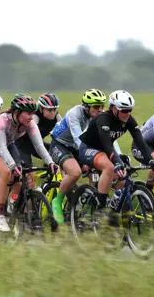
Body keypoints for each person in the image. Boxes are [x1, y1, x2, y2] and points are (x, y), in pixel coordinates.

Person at [0, 94, 58, 232]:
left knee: (20, 177)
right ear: (16, 113)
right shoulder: (2, 121)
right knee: (6, 171)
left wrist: (50, 162)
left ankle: (12, 202)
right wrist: (12, 165)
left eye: (32, 113)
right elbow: (0, 147)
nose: (31, 117)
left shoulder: (29, 123)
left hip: (9, 145)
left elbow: (39, 146)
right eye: (28, 113)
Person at [77, 90, 154, 219]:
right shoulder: (103, 119)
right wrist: (116, 162)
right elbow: (107, 145)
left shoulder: (129, 120)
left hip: (105, 150)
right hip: (88, 148)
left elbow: (140, 141)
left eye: (130, 110)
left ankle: (114, 216)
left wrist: (151, 161)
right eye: (125, 110)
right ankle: (100, 205)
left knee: (123, 178)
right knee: (109, 167)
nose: (128, 114)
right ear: (114, 109)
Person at [49, 88, 107, 223]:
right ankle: (57, 202)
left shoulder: (98, 116)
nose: (100, 110)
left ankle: (90, 204)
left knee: (100, 167)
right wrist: (87, 158)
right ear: (86, 107)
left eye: (102, 106)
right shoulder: (74, 114)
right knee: (75, 172)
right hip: (60, 145)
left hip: (77, 146)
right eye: (96, 106)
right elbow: (77, 139)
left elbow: (107, 139)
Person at [15, 93, 61, 189]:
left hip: (37, 145)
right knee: (31, 177)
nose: (53, 112)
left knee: (61, 158)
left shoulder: (56, 117)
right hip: (22, 146)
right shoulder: (34, 117)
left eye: (55, 109)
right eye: (49, 109)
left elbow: (63, 134)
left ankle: (46, 185)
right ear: (41, 108)